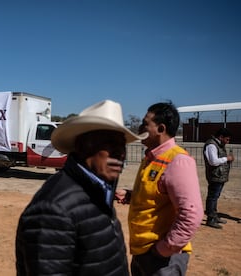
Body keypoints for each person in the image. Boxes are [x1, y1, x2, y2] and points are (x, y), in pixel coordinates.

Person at [15, 100, 147, 275]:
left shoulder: (99, 190)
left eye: (121, 144)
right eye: (109, 143)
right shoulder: (53, 209)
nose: (120, 152)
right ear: (83, 146)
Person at [115, 101, 204, 276]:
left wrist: (164, 249)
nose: (140, 127)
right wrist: (132, 195)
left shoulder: (177, 161)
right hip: (143, 252)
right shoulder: (152, 157)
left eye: (145, 123)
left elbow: (191, 213)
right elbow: (158, 195)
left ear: (161, 129)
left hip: (162, 259)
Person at [203, 127, 234, 229]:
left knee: (215, 197)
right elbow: (213, 161)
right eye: (227, 139)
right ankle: (210, 218)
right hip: (214, 176)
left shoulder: (219, 144)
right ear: (221, 137)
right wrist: (227, 158)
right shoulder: (211, 145)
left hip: (219, 176)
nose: (228, 142)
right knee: (212, 197)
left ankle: (214, 215)